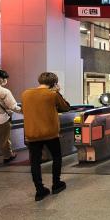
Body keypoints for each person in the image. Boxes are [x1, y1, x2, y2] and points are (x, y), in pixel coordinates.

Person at [21, 72, 71, 201]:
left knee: (35, 162)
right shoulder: (52, 94)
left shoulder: (25, 93)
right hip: (50, 133)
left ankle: (39, 190)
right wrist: (58, 92)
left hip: (32, 133)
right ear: (54, 83)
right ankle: (56, 184)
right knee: (56, 157)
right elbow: (65, 107)